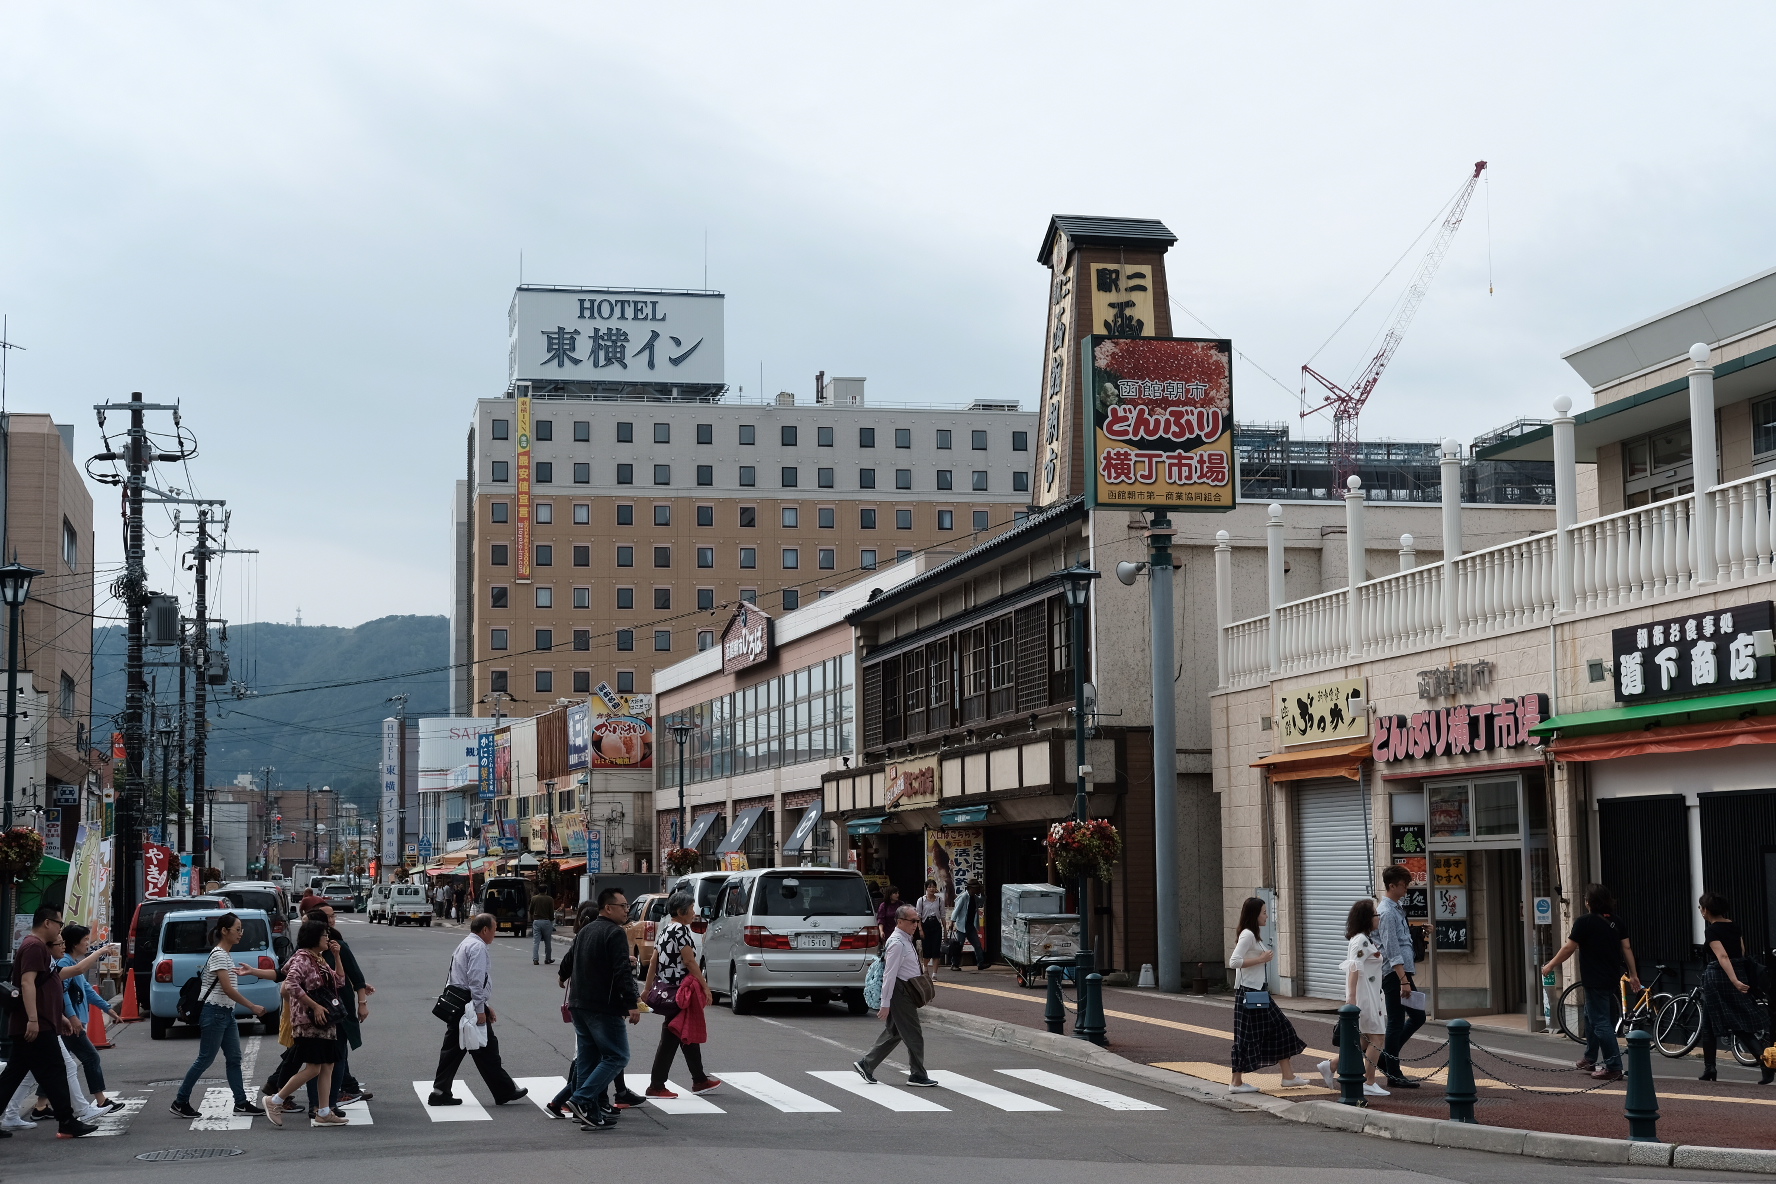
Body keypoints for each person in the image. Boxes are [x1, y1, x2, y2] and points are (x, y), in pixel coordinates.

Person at [0, 908, 98, 1138]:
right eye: (59, 924)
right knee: (55, 1071)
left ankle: (66, 1120)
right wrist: (33, 1019)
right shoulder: (34, 946)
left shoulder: (35, 947)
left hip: (39, 1023)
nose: (60, 929)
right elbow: (27, 983)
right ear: (47, 923)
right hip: (35, 1026)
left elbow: (48, 983)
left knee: (13, 1075)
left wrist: (60, 1017)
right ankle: (66, 1121)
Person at [168, 912, 269, 1119]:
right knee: (205, 1059)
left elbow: (228, 991)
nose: (241, 933)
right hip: (214, 1013)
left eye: (242, 929)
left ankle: (240, 1102)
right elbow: (228, 989)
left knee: (234, 1058)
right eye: (237, 929)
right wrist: (253, 1007)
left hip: (225, 1013)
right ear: (224, 931)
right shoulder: (219, 955)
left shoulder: (225, 954)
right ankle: (180, 1101)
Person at [1540, 884, 1638, 1081]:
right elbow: (1626, 948)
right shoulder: (1617, 922)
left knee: (1601, 1022)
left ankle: (1613, 1066)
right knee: (1591, 1016)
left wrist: (1550, 965)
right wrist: (1633, 974)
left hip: (1594, 979)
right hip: (1612, 978)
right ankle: (1590, 1057)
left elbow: (1569, 948)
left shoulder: (1584, 922)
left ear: (1588, 903)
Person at [430, 914, 527, 1108]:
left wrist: (484, 1005)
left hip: (460, 1002)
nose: (495, 932)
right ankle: (503, 1090)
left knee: (456, 1050)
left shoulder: (466, 943)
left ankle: (440, 1092)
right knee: (486, 1048)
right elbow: (475, 980)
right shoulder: (478, 947)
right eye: (494, 928)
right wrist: (480, 1008)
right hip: (468, 1004)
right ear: (485, 930)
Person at [562, 888, 640, 1130]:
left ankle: (590, 1113)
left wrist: (562, 975)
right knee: (618, 1056)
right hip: (603, 1006)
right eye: (623, 906)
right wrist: (631, 1003)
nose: (627, 910)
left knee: (588, 1059)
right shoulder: (614, 933)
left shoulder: (586, 930)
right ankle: (582, 1100)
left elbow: (568, 960)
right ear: (608, 908)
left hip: (579, 1005)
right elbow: (622, 972)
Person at [265, 920, 349, 1127]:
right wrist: (315, 1006)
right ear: (314, 938)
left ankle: (323, 1112)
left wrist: (337, 956)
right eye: (324, 935)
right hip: (308, 1021)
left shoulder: (318, 958)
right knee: (313, 1067)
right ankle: (275, 1100)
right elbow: (290, 983)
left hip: (324, 1020)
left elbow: (340, 982)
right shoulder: (303, 958)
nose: (328, 939)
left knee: (327, 1065)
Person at [640, 890, 721, 1099]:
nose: (694, 912)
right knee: (671, 1037)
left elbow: (654, 962)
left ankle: (699, 1079)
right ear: (680, 911)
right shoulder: (682, 932)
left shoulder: (666, 930)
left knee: (686, 1034)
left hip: (666, 990)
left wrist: (648, 989)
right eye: (692, 908)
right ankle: (656, 1085)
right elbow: (689, 962)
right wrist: (705, 987)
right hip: (680, 993)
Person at [1227, 896, 1310, 1093]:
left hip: (1258, 993)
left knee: (1279, 1029)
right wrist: (1261, 959)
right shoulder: (1248, 935)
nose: (1266, 915)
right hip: (1250, 994)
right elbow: (1234, 961)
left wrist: (1260, 958)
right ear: (1255, 915)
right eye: (1264, 912)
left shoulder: (1254, 936)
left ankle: (1288, 1076)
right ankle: (1236, 1082)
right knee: (1247, 1037)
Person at [1694, 892, 1774, 1085]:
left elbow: (1722, 957)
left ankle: (1765, 1063)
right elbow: (1742, 951)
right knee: (1710, 1023)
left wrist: (1735, 980)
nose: (1701, 912)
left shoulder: (1712, 930)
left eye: (1701, 908)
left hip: (1719, 977)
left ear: (1706, 910)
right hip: (1738, 970)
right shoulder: (1733, 925)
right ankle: (1709, 1068)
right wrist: (1739, 976)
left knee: (1735, 1023)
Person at [854, 905, 937, 1087]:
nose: (916, 924)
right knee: (914, 1034)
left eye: (917, 920)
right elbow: (889, 974)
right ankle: (917, 1075)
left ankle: (866, 1064)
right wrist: (885, 1003)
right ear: (900, 922)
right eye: (912, 921)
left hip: (904, 991)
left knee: (895, 1032)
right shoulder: (897, 943)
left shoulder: (906, 939)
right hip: (901, 993)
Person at [1320, 899, 1389, 1097]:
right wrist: (1351, 997)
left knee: (1365, 1040)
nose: (1378, 918)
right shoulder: (1360, 940)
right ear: (1367, 918)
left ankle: (1331, 1065)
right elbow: (1353, 967)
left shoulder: (1365, 939)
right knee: (1377, 1037)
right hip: (1364, 997)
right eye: (1376, 914)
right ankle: (1369, 1080)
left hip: (1371, 995)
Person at [56, 925, 125, 1113]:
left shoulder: (72, 962)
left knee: (59, 1065)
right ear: (74, 943)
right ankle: (101, 1100)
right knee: (90, 1057)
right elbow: (63, 995)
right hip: (70, 1022)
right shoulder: (65, 964)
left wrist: (108, 1009)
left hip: (72, 1021)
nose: (88, 943)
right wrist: (72, 1017)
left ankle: (40, 1104)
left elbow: (86, 989)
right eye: (85, 940)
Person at [1376, 864, 1425, 1089]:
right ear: (1392, 885)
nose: (1406, 889)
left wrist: (1422, 932)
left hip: (1401, 972)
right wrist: (1403, 978)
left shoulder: (1396, 907)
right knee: (1397, 1021)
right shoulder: (1386, 911)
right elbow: (1391, 946)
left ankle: (1387, 1061)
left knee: (1416, 1016)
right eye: (1404, 885)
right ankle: (1392, 1070)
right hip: (1395, 973)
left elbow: (1401, 939)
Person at [951, 877, 986, 971]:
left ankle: (980, 963)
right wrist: (952, 921)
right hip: (962, 926)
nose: (977, 890)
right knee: (959, 946)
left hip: (970, 926)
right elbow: (956, 910)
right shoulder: (963, 897)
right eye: (976, 888)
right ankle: (955, 964)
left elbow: (981, 902)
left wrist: (982, 893)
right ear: (970, 888)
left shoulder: (974, 897)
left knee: (977, 945)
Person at [915, 879, 944, 976]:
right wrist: (920, 929)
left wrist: (945, 929)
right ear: (926, 888)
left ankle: (935, 974)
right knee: (926, 949)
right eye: (929, 887)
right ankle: (925, 968)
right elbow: (918, 916)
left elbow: (942, 915)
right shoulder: (921, 900)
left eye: (933, 886)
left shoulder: (939, 900)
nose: (932, 889)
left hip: (936, 925)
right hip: (925, 926)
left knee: (936, 950)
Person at [531, 888, 557, 965]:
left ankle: (535, 959)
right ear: (546, 890)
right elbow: (551, 911)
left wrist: (534, 918)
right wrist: (551, 920)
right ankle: (548, 959)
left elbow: (531, 910)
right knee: (547, 942)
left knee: (536, 941)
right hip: (546, 921)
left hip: (536, 921)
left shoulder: (534, 898)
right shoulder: (549, 899)